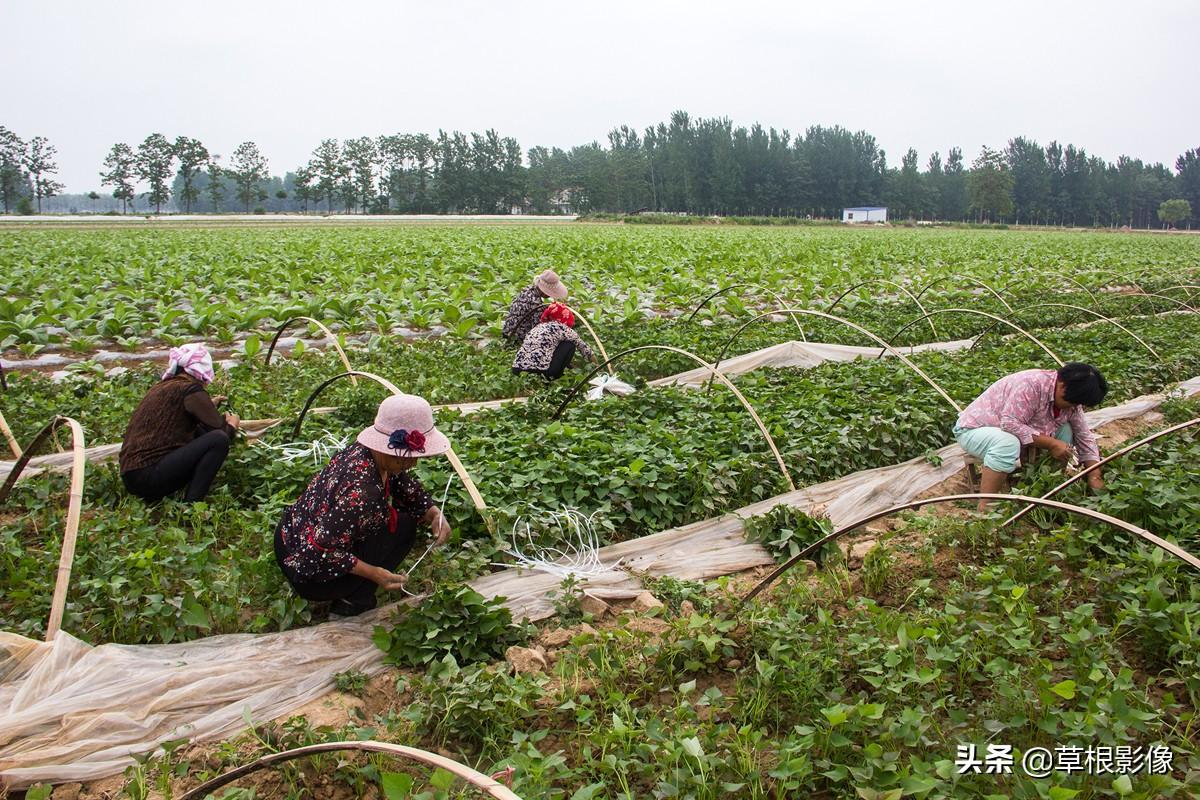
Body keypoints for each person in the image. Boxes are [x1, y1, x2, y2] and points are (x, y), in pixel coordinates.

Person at [274, 393, 453, 617]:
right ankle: (352, 600)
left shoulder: (368, 453)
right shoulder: (362, 492)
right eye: (404, 457)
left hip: (290, 537)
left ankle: (352, 589)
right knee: (402, 530)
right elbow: (318, 551)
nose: (412, 463)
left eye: (416, 456)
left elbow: (402, 483)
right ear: (387, 448)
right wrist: (374, 574)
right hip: (305, 566)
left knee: (403, 523)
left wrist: (434, 513)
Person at [954, 362, 1107, 511]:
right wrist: (1052, 444)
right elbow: (1009, 423)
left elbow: (1084, 436)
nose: (1073, 408)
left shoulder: (1071, 400)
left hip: (1016, 430)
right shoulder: (1032, 385)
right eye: (1071, 402)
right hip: (976, 429)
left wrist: (1094, 475)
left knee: (1066, 430)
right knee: (1007, 443)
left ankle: (1047, 488)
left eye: (1077, 405)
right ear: (1062, 385)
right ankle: (986, 507)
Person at [119, 343, 239, 503]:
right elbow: (220, 432)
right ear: (201, 371)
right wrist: (232, 424)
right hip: (149, 475)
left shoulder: (163, 386)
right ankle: (193, 504)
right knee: (219, 439)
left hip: (131, 477)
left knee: (200, 431)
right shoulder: (190, 389)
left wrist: (207, 405)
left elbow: (180, 418)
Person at [512, 303, 596, 380]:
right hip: (540, 371)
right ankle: (554, 377)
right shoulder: (561, 327)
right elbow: (584, 348)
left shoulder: (538, 327)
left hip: (517, 370)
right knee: (569, 345)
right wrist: (597, 366)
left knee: (553, 344)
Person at [502, 269, 568, 346]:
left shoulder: (528, 290)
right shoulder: (536, 303)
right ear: (544, 291)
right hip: (517, 336)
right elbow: (537, 329)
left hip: (508, 329)